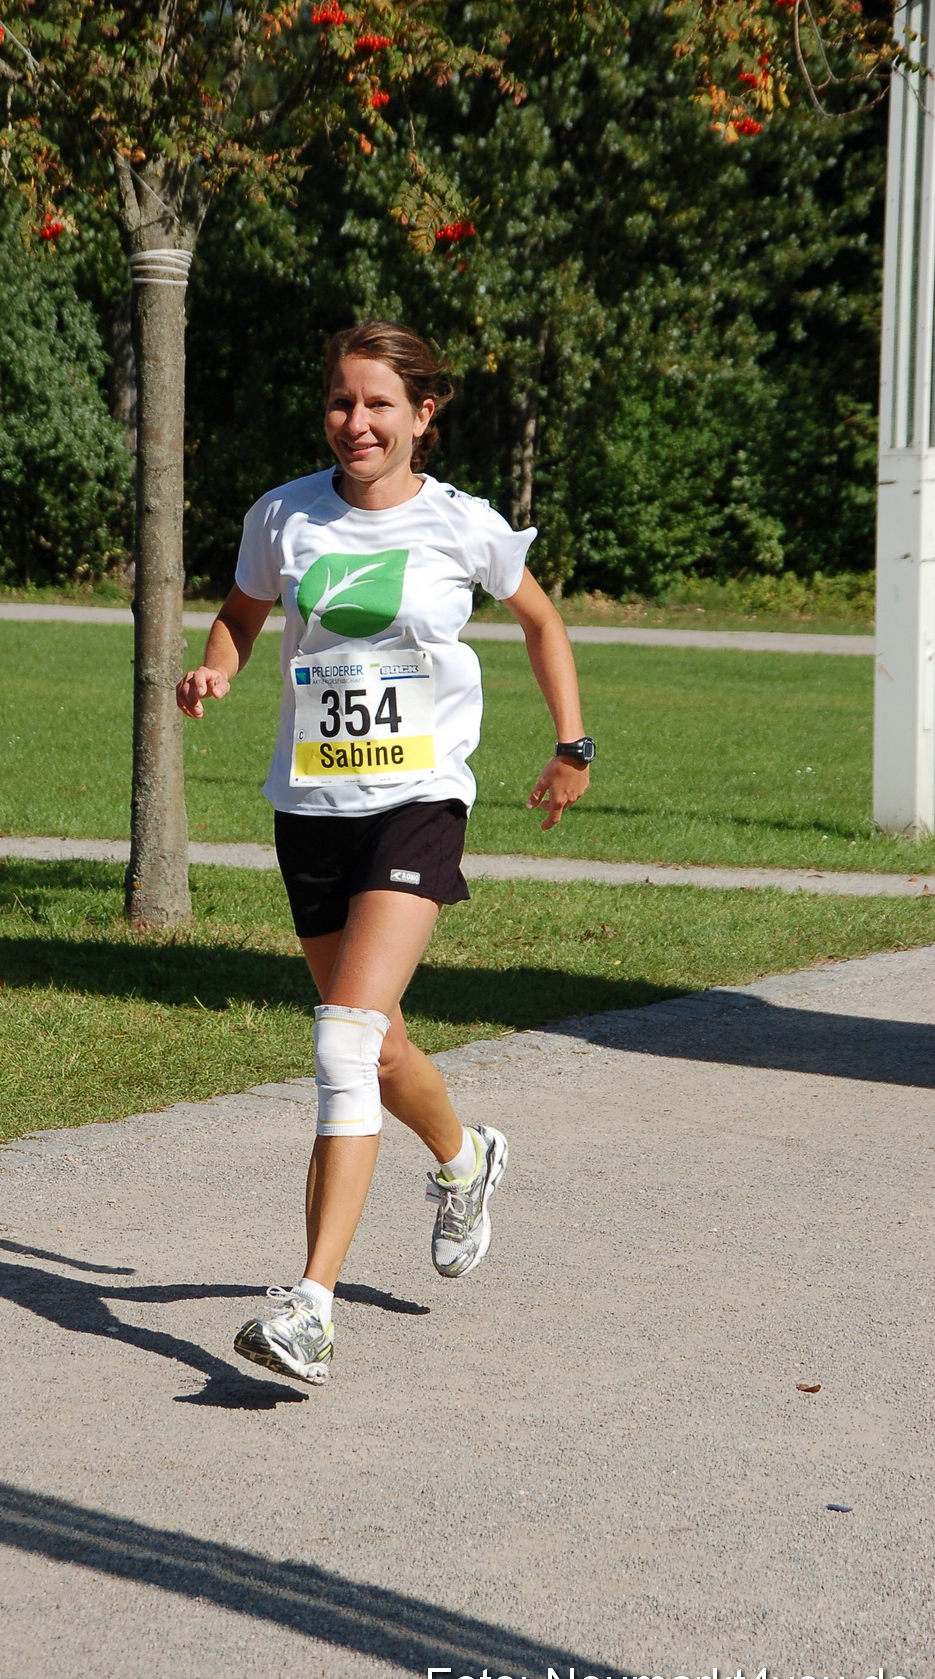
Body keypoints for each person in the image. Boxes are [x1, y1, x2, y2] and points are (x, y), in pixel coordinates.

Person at [176, 320, 593, 1386]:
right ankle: (465, 1158)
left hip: (418, 799)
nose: (355, 422)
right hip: (311, 806)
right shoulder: (283, 513)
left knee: (342, 1044)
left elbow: (541, 623)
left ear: (421, 414)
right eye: (340, 401)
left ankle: (309, 1308)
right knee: (382, 1045)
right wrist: (216, 668)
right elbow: (240, 613)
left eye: (377, 404)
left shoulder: (462, 524)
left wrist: (571, 745)